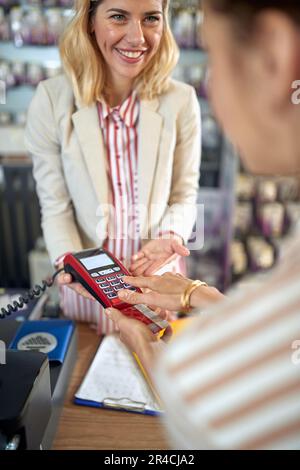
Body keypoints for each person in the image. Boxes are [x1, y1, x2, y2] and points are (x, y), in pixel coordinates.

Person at [105, 0, 300, 449]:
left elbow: (208, 393)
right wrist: (202, 296)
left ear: (272, 57)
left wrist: (150, 352)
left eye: (212, 54)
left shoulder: (204, 378)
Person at [25, 0, 201, 333]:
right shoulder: (50, 100)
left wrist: (169, 235)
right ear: (90, 21)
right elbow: (56, 207)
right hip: (86, 298)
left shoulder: (181, 100)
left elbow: (184, 194)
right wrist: (70, 265)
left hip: (155, 288)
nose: (138, 38)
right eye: (119, 17)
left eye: (151, 18)